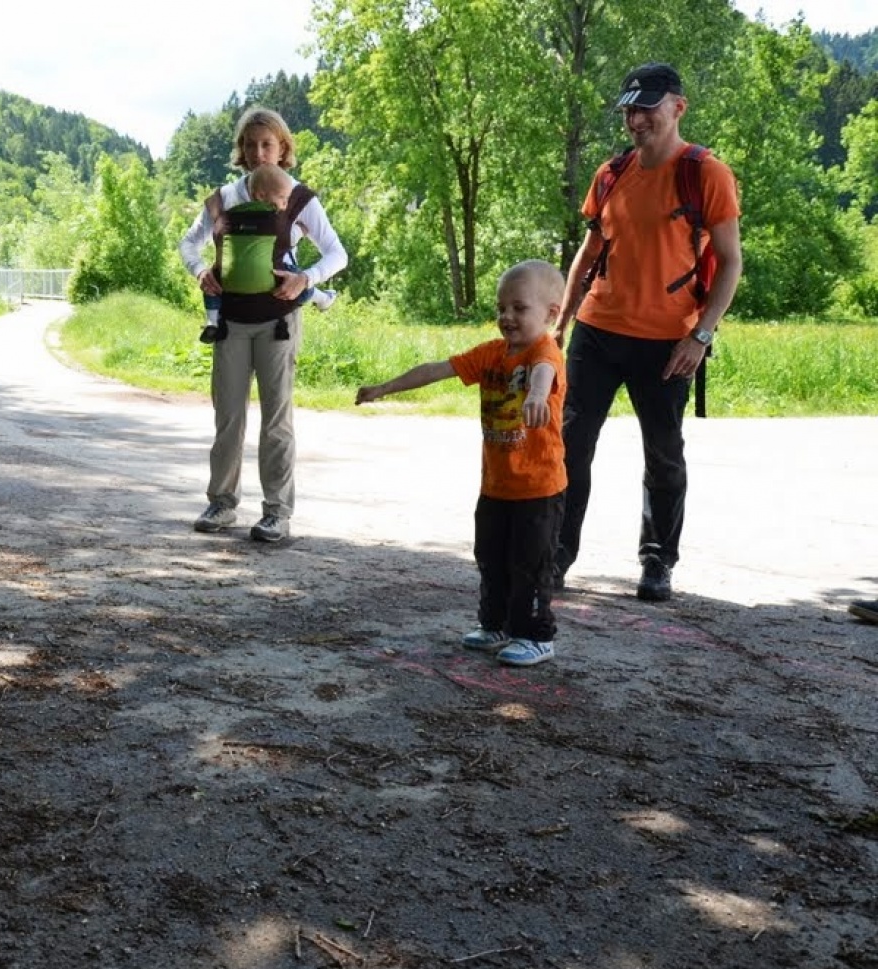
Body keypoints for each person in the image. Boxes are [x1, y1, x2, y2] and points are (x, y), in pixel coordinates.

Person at [553, 62, 743, 602]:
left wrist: (700, 335)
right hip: (598, 330)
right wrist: (562, 320)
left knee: (662, 453)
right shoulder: (611, 174)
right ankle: (556, 556)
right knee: (569, 448)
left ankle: (657, 561)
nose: (637, 120)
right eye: (630, 110)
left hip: (669, 342)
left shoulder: (705, 173)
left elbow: (729, 263)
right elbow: (588, 254)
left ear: (677, 107)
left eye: (648, 108)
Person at [356, 261, 568, 666]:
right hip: (496, 486)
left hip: (539, 490)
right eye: (501, 308)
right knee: (490, 556)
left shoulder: (545, 352)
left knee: (530, 565)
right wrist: (385, 388)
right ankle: (496, 624)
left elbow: (543, 374)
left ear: (551, 314)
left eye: (519, 308)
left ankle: (536, 636)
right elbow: (438, 370)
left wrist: (537, 397)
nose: (507, 316)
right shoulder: (491, 354)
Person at [179, 107, 348, 543]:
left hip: (278, 322)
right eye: (251, 145)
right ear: (241, 150)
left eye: (267, 144)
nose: (259, 153)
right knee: (228, 417)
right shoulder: (222, 199)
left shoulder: (298, 198)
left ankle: (276, 512)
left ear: (283, 148)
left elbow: (336, 253)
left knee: (276, 421)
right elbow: (189, 244)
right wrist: (200, 271)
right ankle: (221, 503)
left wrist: (305, 279)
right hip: (231, 322)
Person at [197, 163, 336, 343]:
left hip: (229, 283)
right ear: (262, 196)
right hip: (267, 280)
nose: (285, 205)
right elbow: (290, 238)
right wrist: (302, 230)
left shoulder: (230, 215)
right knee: (297, 279)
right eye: (283, 198)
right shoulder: (276, 222)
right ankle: (321, 297)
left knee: (211, 280)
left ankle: (211, 321)